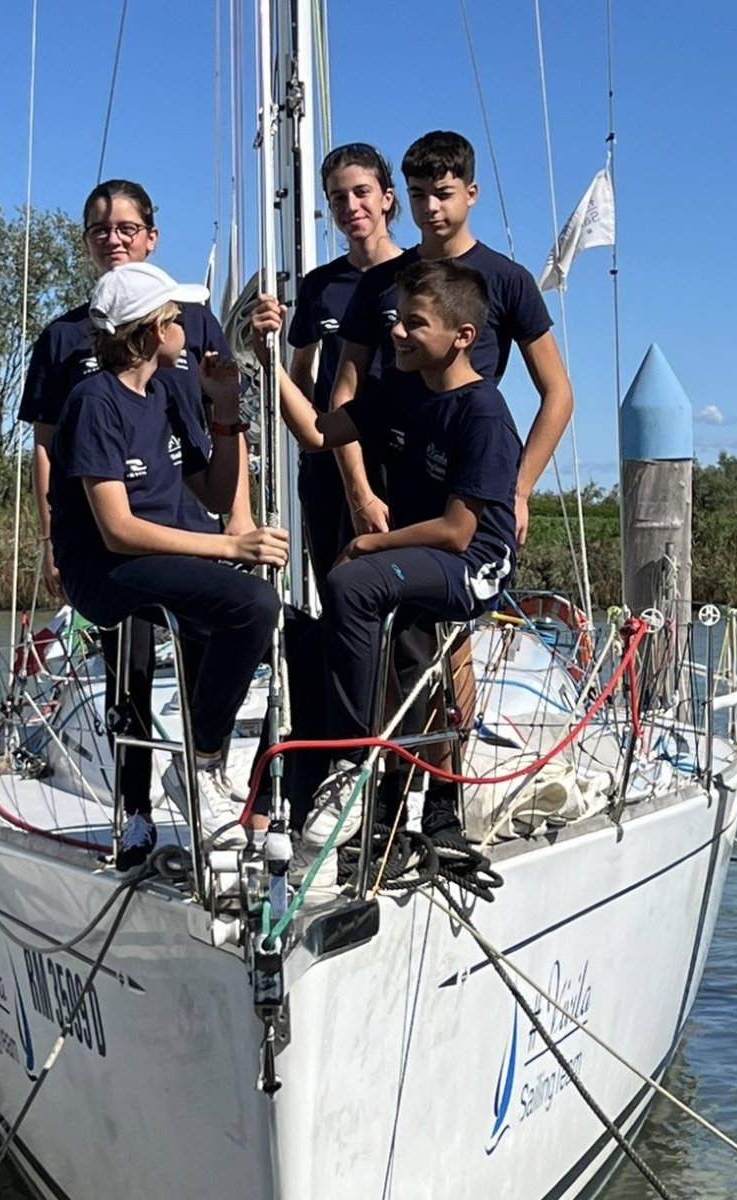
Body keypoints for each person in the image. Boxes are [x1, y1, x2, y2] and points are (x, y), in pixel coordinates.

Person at [252, 258, 521, 866]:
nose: (396, 333)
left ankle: (354, 763)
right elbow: (320, 434)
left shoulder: (483, 413)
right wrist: (269, 366)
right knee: (317, 626)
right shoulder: (399, 388)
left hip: (477, 561)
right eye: (397, 320)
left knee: (353, 582)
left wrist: (370, 541)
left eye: (414, 324)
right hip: (421, 552)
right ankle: (369, 797)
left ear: (462, 338)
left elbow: (458, 532)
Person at [20, 180, 256, 833]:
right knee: (128, 664)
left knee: (214, 642)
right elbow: (47, 451)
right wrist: (51, 543)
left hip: (185, 520)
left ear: (151, 236)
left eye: (126, 227)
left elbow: (211, 424)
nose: (112, 238)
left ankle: (203, 768)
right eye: (100, 228)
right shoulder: (66, 339)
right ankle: (134, 810)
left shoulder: (193, 324)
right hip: (110, 536)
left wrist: (237, 517)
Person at [49, 261, 287, 869]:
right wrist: (231, 548)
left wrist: (227, 410)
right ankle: (200, 763)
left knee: (295, 638)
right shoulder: (93, 401)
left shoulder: (164, 392)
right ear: (152, 332)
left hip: (161, 554)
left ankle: (268, 799)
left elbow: (212, 491)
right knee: (251, 602)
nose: (186, 325)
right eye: (175, 317)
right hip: (106, 571)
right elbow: (118, 530)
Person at [333, 130, 572, 547]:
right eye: (418, 194)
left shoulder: (509, 280)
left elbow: (558, 393)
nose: (430, 208)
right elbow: (345, 392)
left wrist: (519, 489)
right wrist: (360, 492)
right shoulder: (380, 284)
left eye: (443, 193)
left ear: (471, 193)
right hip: (391, 478)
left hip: (467, 478)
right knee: (357, 592)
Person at [287, 143, 402, 589]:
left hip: (397, 454)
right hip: (333, 459)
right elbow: (301, 368)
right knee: (335, 583)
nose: (350, 206)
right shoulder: (320, 286)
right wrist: (311, 435)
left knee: (408, 595)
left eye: (361, 192)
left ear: (386, 198)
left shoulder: (418, 276)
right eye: (338, 197)